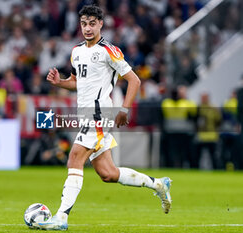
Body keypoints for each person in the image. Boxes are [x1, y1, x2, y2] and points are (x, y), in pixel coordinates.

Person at [33, 5, 172, 231]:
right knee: (108, 174)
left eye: (92, 23)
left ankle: (61, 217)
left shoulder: (109, 50)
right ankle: (158, 185)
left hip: (99, 115)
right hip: (86, 115)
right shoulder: (76, 51)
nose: (87, 28)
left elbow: (134, 80)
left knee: (74, 158)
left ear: (101, 24)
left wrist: (124, 110)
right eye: (84, 24)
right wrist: (60, 82)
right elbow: (77, 82)